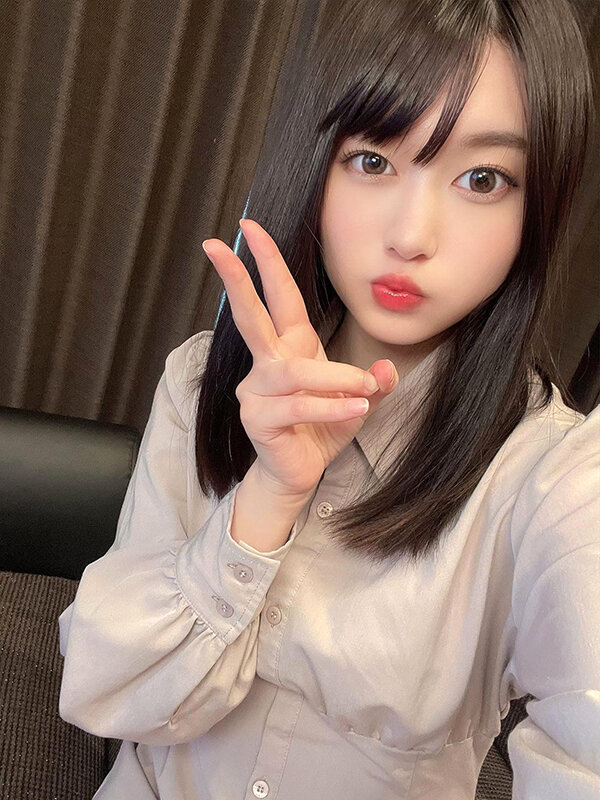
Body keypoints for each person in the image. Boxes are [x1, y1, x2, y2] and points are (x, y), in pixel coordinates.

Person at [58, 0, 600, 797]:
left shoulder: (552, 478)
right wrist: (267, 499)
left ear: (538, 205)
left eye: (482, 179)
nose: (412, 235)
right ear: (314, 160)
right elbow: (104, 690)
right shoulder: (202, 380)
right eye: (373, 160)